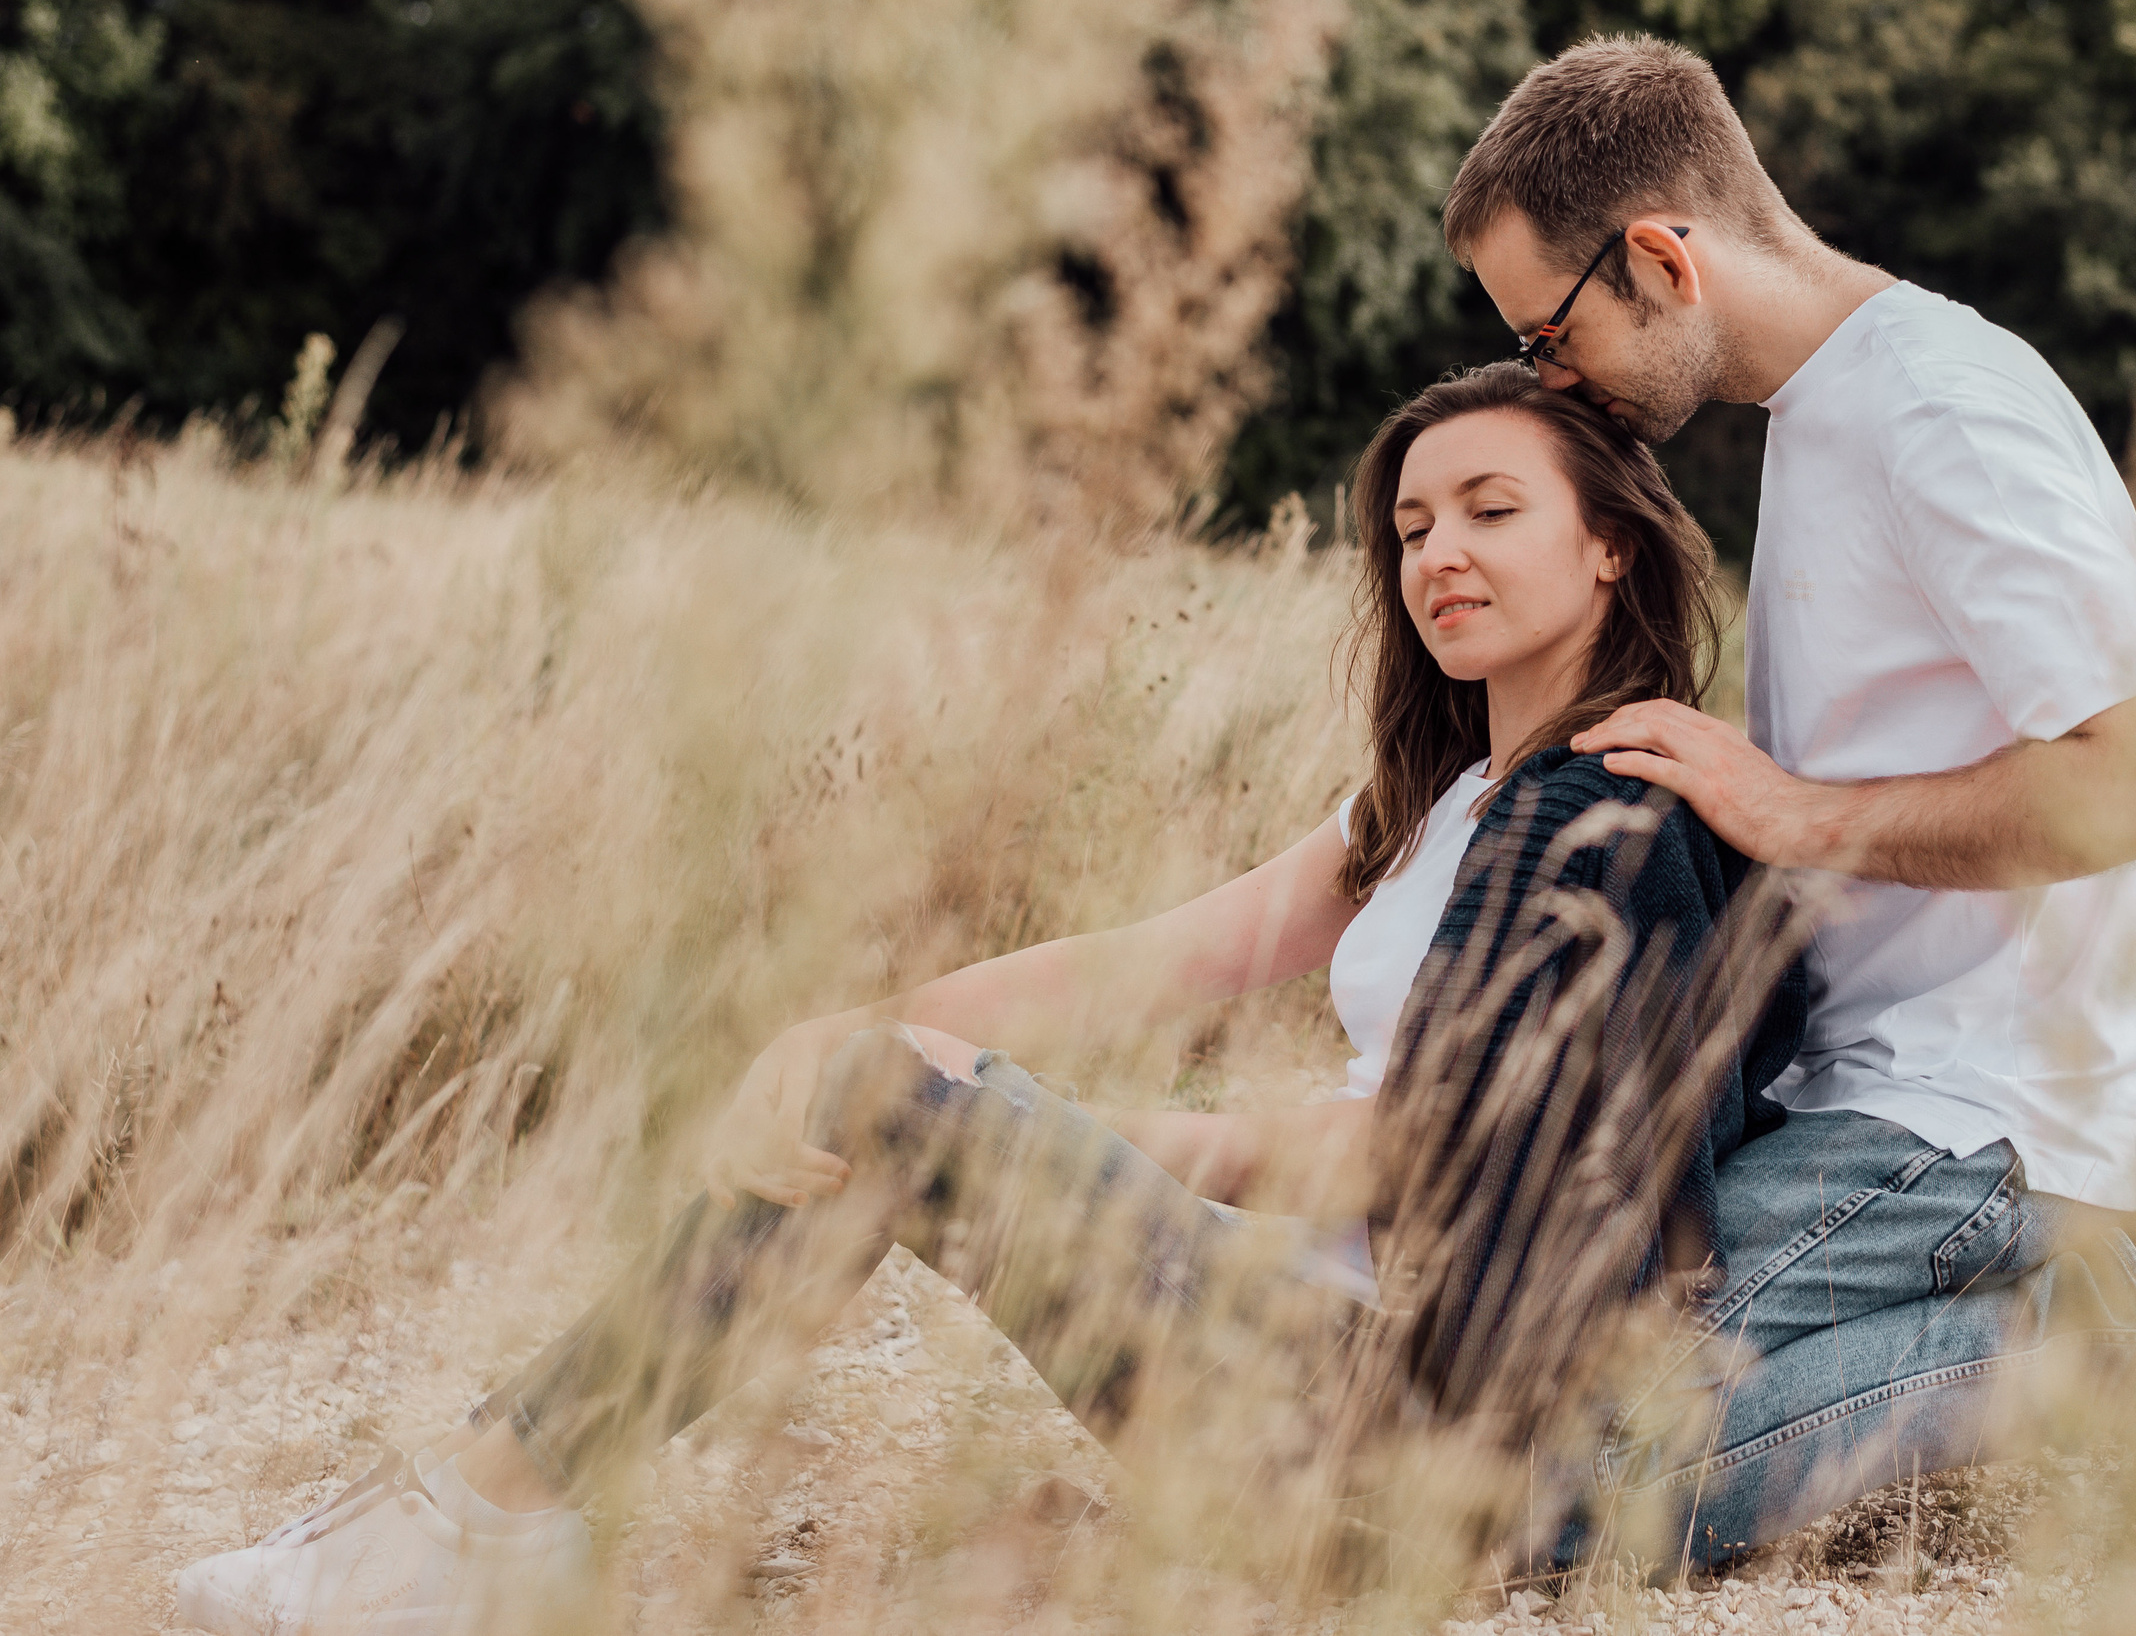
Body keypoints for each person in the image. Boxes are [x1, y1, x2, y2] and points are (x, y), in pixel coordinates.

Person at [174, 366, 1811, 1635]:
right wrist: (867, 1033)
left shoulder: (1610, 807)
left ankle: (483, 1523)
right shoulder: (1449, 788)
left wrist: (998, 1116)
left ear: (1608, 543)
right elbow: (1186, 949)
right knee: (876, 1092)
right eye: (1409, 525)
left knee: (901, 1109)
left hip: (1397, 1435)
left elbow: (1426, 1150)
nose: (1437, 551)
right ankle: (494, 1506)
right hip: (1298, 1340)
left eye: (1489, 511)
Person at [1434, 33, 2136, 1560]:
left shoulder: (1942, 412)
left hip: (1976, 1113)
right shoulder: (1822, 414)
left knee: (1533, 1488)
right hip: (1871, 1089)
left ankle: (2112, 1327)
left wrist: (1798, 814)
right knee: (1493, 1397)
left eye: (1553, 333)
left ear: (1661, 254)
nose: (1547, 378)